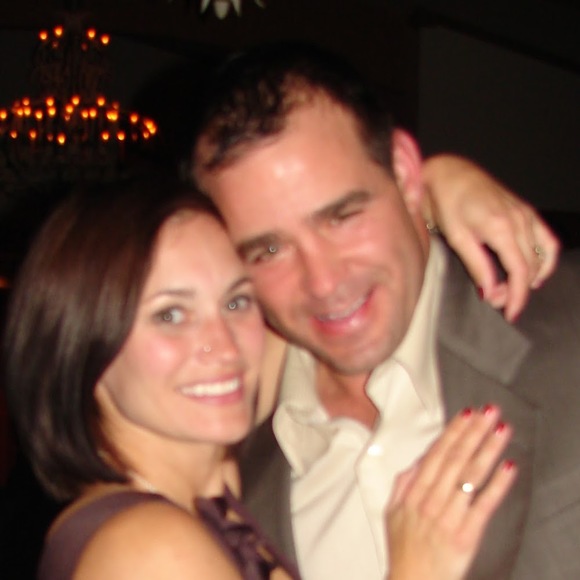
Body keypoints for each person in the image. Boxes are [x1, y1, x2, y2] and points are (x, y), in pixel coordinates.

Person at [3, 172, 516, 579]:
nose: (225, 346)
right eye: (170, 315)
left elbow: (313, 299)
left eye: (236, 301)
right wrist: (417, 569)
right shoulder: (150, 551)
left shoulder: (194, 490)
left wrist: (432, 187)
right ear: (83, 346)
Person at [191, 42, 580, 579]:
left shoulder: (566, 333)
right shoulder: (228, 491)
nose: (324, 282)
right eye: (270, 250)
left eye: (342, 216)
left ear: (404, 171)